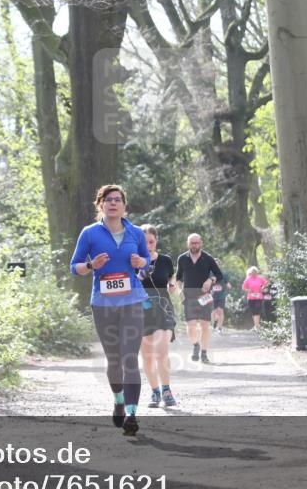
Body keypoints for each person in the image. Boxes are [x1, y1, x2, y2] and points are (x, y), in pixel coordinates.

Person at [70, 185, 150, 436]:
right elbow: (75, 267)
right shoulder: (90, 233)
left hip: (132, 301)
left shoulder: (136, 233)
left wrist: (141, 263)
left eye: (118, 200)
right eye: (108, 200)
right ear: (101, 205)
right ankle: (118, 401)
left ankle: (133, 413)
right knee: (114, 359)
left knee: (129, 358)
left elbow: (147, 264)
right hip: (104, 304)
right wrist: (92, 265)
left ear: (124, 206)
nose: (113, 203)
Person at [137, 225, 177, 408]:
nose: (148, 245)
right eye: (144, 243)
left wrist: (172, 284)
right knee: (147, 356)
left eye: (151, 242)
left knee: (161, 352)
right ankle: (155, 392)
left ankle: (167, 391)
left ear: (156, 241)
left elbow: (170, 277)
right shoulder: (132, 261)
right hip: (141, 311)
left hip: (163, 309)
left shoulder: (165, 260)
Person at [175, 233, 222, 364]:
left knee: (205, 326)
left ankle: (204, 353)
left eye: (196, 242)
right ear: (187, 243)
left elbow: (219, 275)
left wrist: (210, 280)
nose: (194, 245)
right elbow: (178, 277)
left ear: (201, 243)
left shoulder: (208, 258)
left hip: (204, 297)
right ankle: (196, 344)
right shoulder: (182, 258)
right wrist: (179, 289)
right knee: (190, 327)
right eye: (192, 243)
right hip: (188, 297)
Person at [242, 266, 269, 330]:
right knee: (254, 312)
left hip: (259, 297)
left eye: (255, 272)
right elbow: (243, 287)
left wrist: (262, 288)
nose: (254, 274)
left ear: (257, 273)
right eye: (252, 272)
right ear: (250, 273)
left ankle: (257, 325)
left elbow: (266, 283)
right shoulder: (248, 279)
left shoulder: (259, 278)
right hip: (251, 298)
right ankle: (256, 325)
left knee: (257, 310)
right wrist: (249, 290)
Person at [210, 267, 227, 334]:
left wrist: (228, 285)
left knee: (220, 310)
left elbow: (227, 282)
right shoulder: (209, 273)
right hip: (212, 296)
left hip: (221, 296)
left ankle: (220, 328)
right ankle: (214, 322)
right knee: (213, 312)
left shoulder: (224, 274)